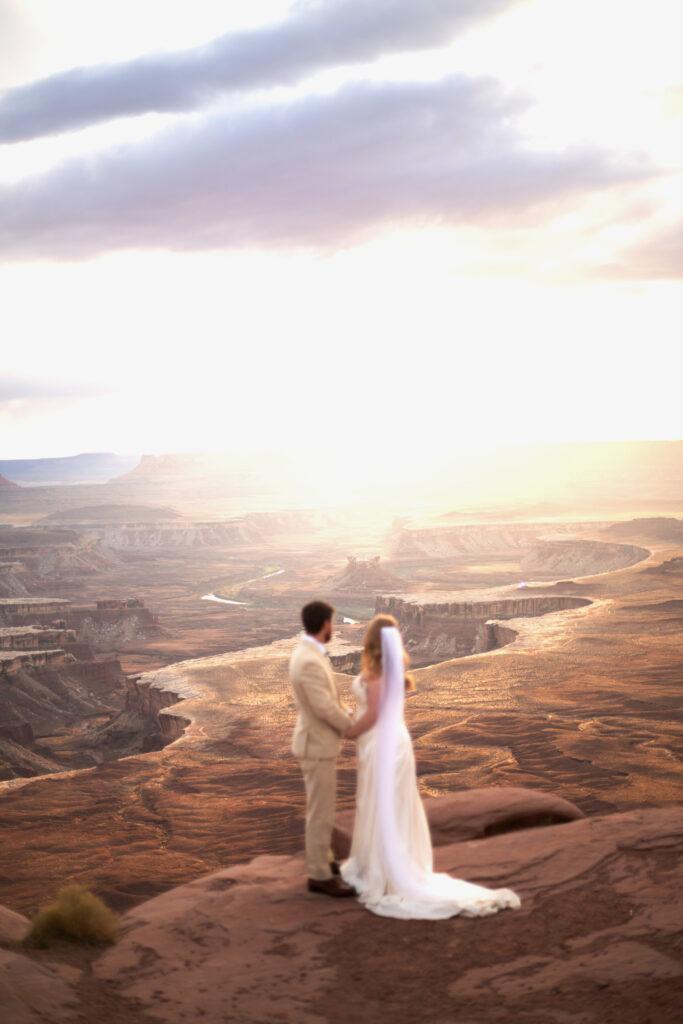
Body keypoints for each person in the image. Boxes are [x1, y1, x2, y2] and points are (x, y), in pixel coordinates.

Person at [341, 614, 522, 919]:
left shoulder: (375, 676)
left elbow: (372, 716)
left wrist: (349, 729)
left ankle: (383, 872)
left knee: (380, 804)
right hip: (396, 741)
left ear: (369, 640)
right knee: (395, 805)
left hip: (380, 743)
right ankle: (394, 865)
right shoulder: (396, 671)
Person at [290, 600, 357, 898]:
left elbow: (328, 700)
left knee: (324, 810)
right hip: (316, 746)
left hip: (318, 744)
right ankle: (319, 874)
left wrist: (347, 713)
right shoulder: (308, 660)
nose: (335, 626)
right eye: (334, 621)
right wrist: (349, 726)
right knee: (320, 813)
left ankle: (327, 863)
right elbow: (323, 707)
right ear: (325, 624)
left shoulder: (311, 655)